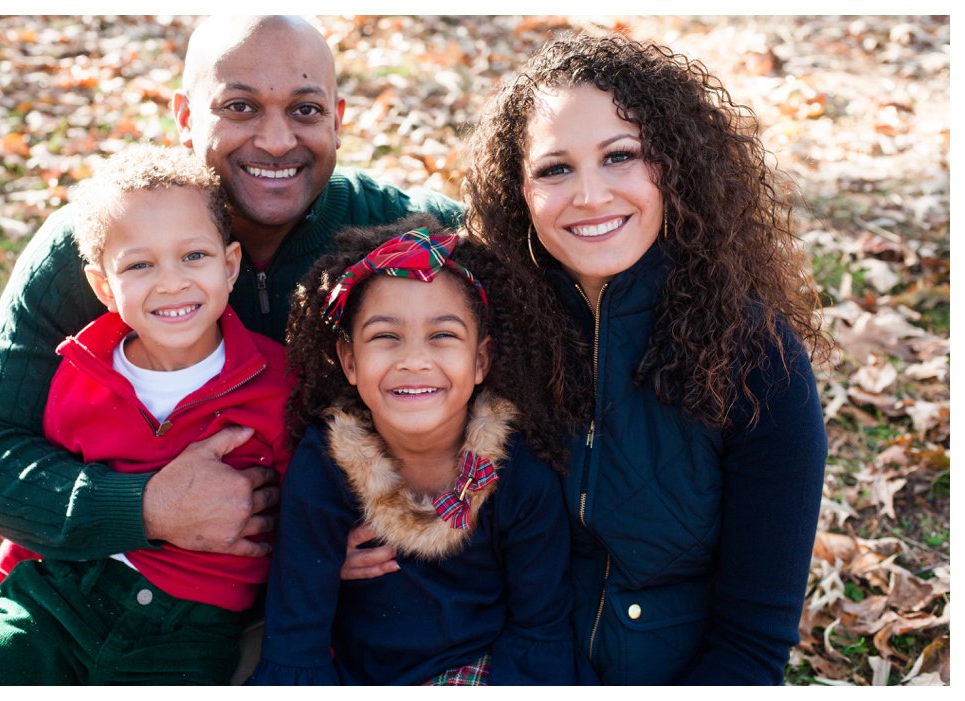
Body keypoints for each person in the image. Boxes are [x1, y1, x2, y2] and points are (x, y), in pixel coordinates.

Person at [0, 14, 462, 641]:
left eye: (305, 109)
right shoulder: (102, 248)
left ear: (339, 119)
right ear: (186, 117)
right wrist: (147, 508)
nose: (275, 140)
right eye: (240, 107)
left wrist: (321, 546)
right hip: (101, 599)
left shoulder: (412, 236)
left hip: (346, 613)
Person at [345, 34, 830, 684]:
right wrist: (355, 533)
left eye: (619, 156)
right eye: (554, 169)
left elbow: (751, 643)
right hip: (497, 664)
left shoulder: (757, 360)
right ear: (517, 190)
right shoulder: (489, 329)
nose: (590, 194)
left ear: (674, 164)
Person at [0, 144, 294, 684]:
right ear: (103, 287)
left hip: (190, 632)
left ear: (230, 265)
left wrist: (330, 565)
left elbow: (309, 507)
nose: (172, 281)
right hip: (57, 602)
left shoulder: (275, 384)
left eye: (194, 256)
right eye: (140, 265)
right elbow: (35, 525)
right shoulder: (81, 374)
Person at [246, 216, 584, 685]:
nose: (414, 360)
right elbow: (295, 635)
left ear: (481, 360)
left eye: (443, 336)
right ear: (349, 361)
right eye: (385, 337)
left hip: (481, 672)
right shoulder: (326, 461)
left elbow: (540, 625)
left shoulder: (516, 466)